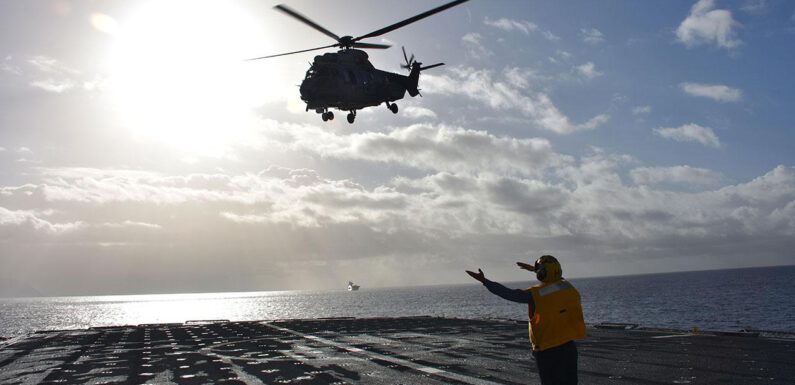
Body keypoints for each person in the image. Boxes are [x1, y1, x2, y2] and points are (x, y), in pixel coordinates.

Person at [466, 255, 586, 385]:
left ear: (542, 273)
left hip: (548, 350)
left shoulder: (536, 294)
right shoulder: (567, 287)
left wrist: (485, 281)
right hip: (569, 346)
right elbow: (555, 278)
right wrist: (536, 270)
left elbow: (509, 294)